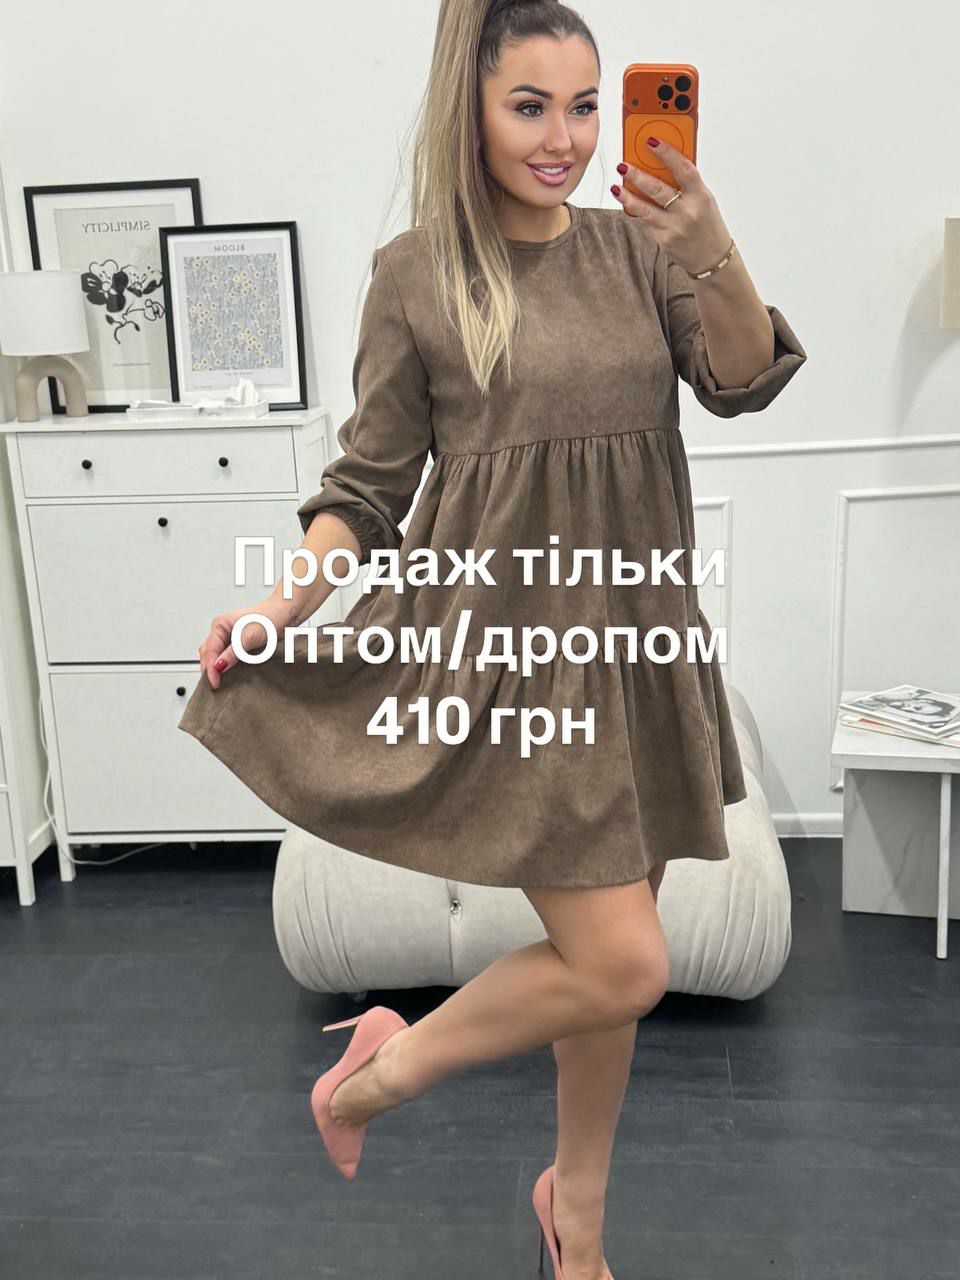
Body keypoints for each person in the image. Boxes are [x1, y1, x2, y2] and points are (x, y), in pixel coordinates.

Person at [180, 2, 807, 1276]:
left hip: (638, 652)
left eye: (584, 107)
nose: (564, 138)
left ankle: (577, 1227)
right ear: (468, 108)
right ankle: (378, 1070)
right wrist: (277, 606)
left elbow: (743, 378)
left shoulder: (639, 249)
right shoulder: (417, 274)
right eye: (531, 106)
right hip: (509, 667)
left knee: (603, 969)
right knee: (626, 963)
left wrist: (711, 244)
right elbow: (365, 490)